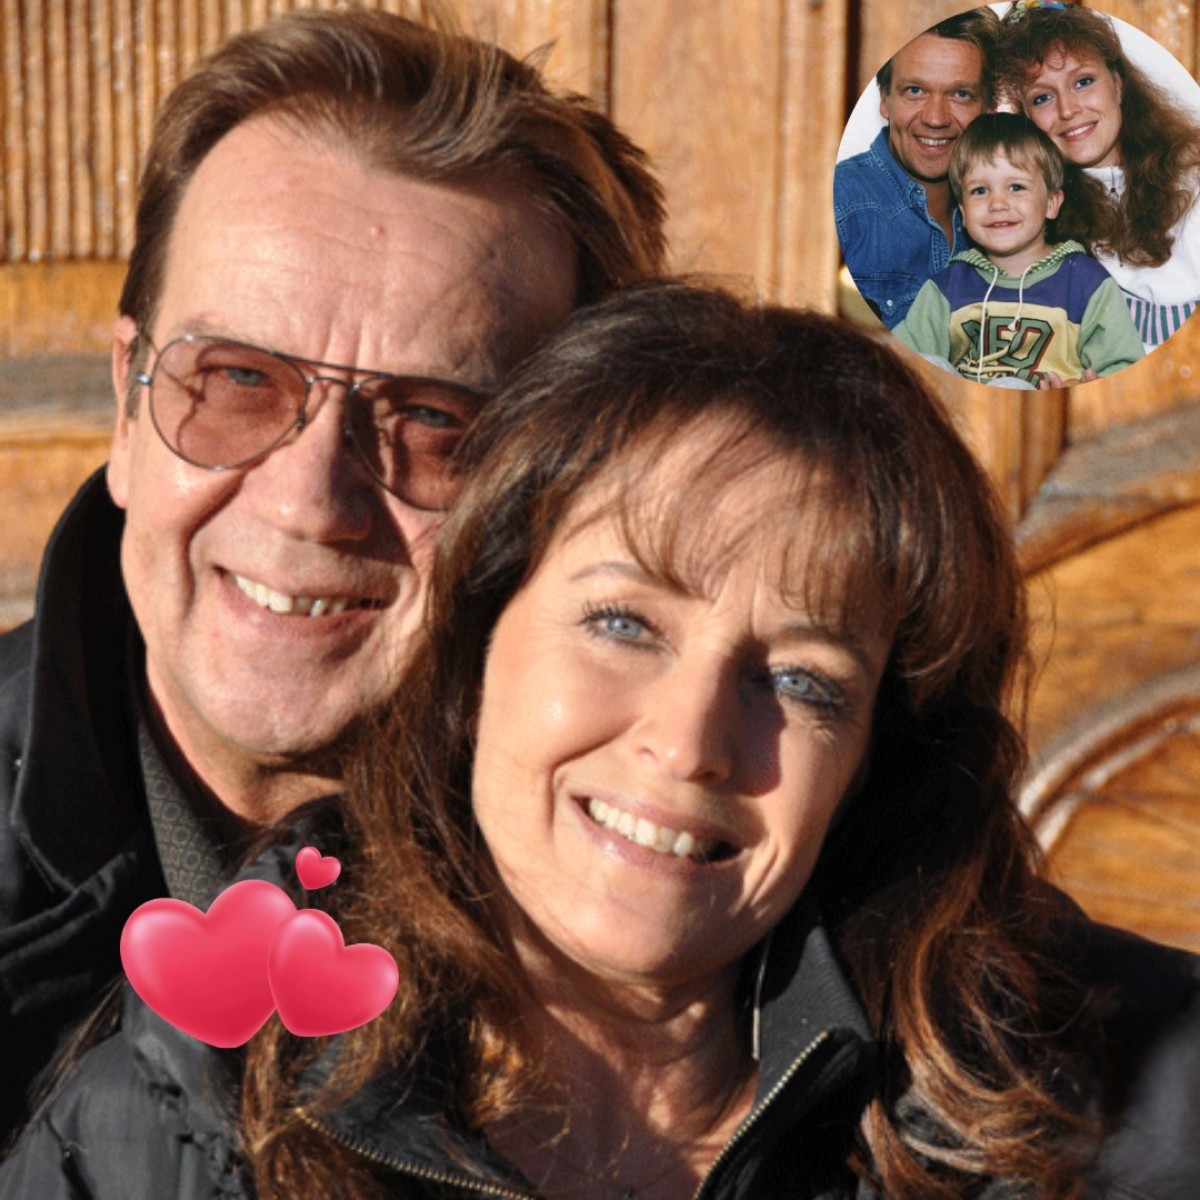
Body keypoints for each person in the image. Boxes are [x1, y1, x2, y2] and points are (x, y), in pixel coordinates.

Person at [4, 281, 1197, 1199]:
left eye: (801, 681)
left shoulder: (1110, 1102)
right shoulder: (178, 1119)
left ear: (876, 758)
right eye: (624, 624)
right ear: (474, 646)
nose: (690, 743)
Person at [0, 5, 666, 1141]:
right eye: (239, 381)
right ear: (125, 404)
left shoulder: (711, 881)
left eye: (433, 422)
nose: (308, 499)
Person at [997, 2, 1200, 350]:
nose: (1067, 110)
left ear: (1117, 85)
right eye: (1042, 97)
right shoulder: (1034, 218)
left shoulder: (1192, 177)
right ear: (1027, 118)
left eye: (1083, 81)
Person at [894, 112, 1142, 387]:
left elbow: (1124, 371)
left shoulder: (1087, 283)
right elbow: (900, 361)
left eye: (1016, 187)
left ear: (1051, 203)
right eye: (979, 191)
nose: (997, 203)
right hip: (966, 403)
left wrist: (1084, 388)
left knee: (1011, 386)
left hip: (1043, 404)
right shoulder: (945, 288)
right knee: (924, 364)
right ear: (963, 212)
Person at [834, 7, 999, 328]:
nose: (935, 118)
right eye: (915, 91)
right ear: (885, 100)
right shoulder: (843, 205)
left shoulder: (1014, 213)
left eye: (961, 94)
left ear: (989, 108)